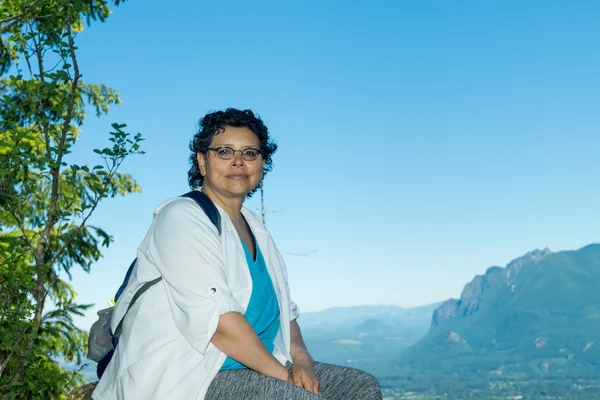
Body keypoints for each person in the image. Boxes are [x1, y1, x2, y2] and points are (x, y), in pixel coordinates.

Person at [92, 108, 382, 400]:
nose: (238, 161)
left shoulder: (256, 228)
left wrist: (303, 360)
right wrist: (286, 379)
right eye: (224, 151)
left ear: (261, 164)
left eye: (250, 153)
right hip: (192, 376)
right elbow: (219, 324)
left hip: (262, 365)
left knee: (359, 387)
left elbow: (285, 311)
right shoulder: (181, 217)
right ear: (202, 162)